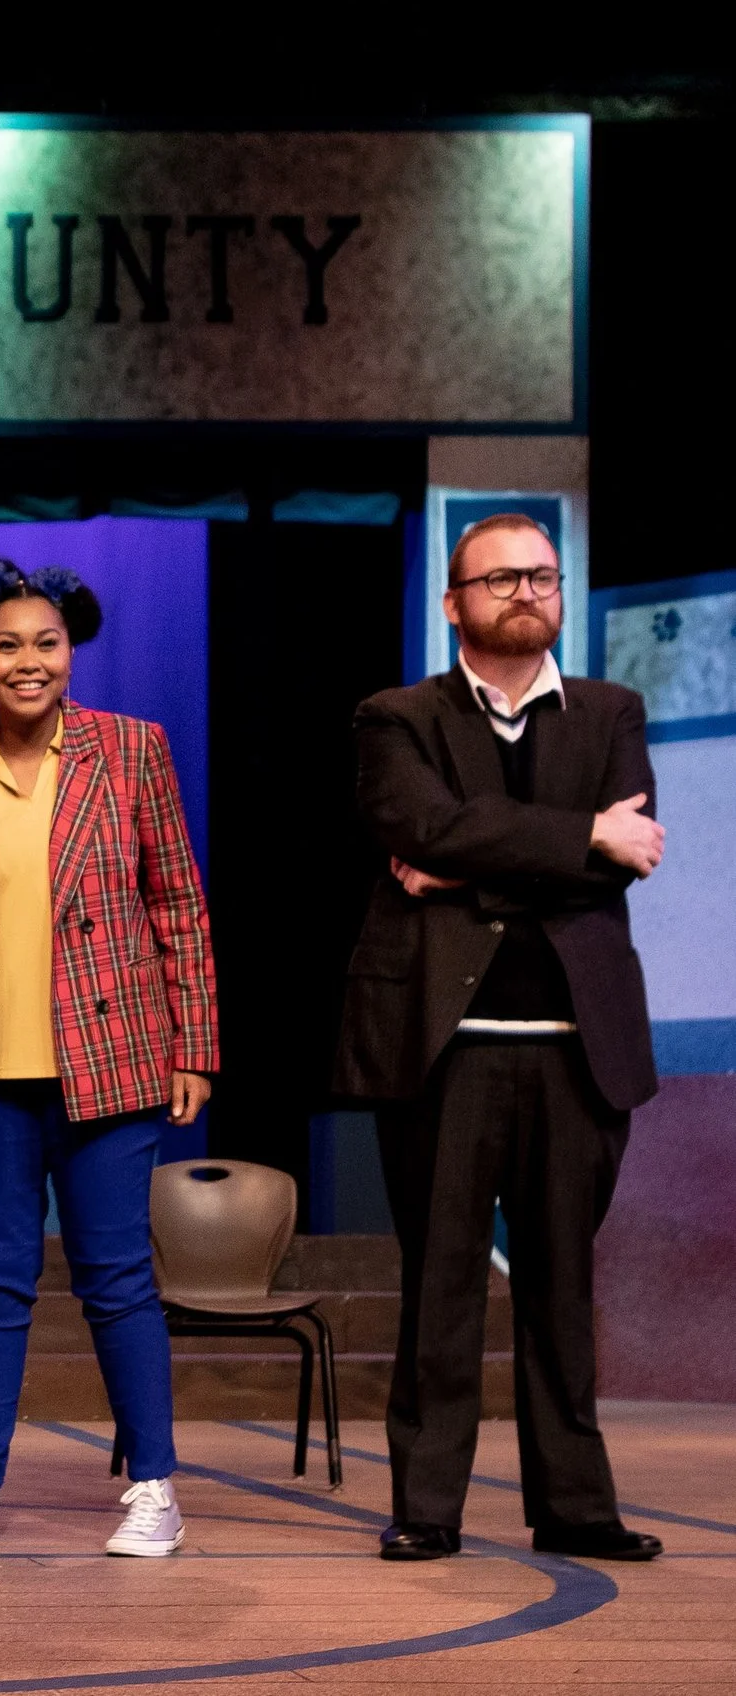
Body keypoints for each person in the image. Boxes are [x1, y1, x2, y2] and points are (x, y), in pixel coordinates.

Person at [340, 513, 665, 1564]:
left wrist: (464, 867)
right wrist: (579, 836)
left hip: (578, 1044)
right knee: (441, 1284)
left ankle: (575, 1506)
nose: (526, 591)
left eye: (541, 576)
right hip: (446, 1046)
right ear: (453, 603)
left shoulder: (611, 711)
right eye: (500, 578)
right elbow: (419, 825)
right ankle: (427, 1506)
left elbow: (625, 857)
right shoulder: (397, 716)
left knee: (562, 1287)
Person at [0, 556, 217, 1561]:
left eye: (46, 643)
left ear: (71, 652)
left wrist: (194, 1046)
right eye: (6, 645)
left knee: (118, 1278)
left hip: (113, 1061)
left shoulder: (132, 751)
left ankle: (153, 1488)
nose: (28, 661)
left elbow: (178, 904)